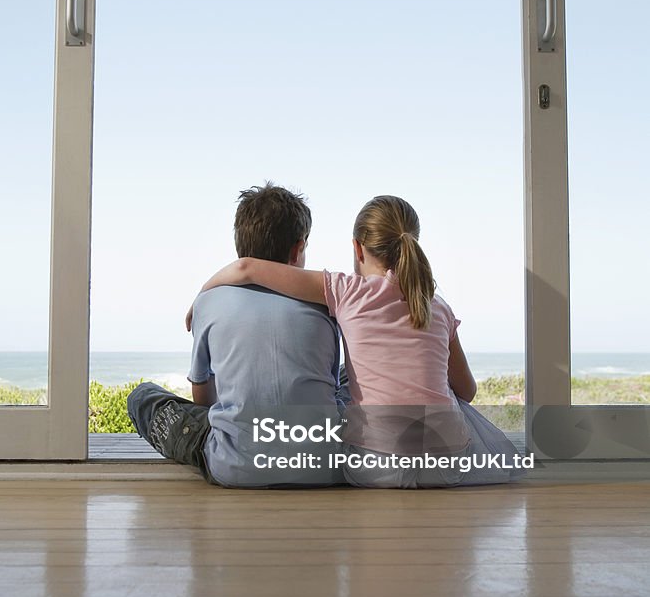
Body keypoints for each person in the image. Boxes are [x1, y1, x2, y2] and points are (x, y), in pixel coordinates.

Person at [200, 194, 529, 488]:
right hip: (447, 465)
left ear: (357, 247)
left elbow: (246, 268)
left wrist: (200, 300)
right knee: (446, 399)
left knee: (347, 385)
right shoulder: (438, 306)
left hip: (372, 468)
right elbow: (467, 391)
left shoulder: (348, 291)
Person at [127, 183, 348, 487]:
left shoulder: (210, 301)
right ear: (298, 250)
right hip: (325, 466)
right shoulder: (324, 303)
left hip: (234, 467)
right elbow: (331, 385)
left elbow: (203, 398)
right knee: (347, 375)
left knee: (142, 396)